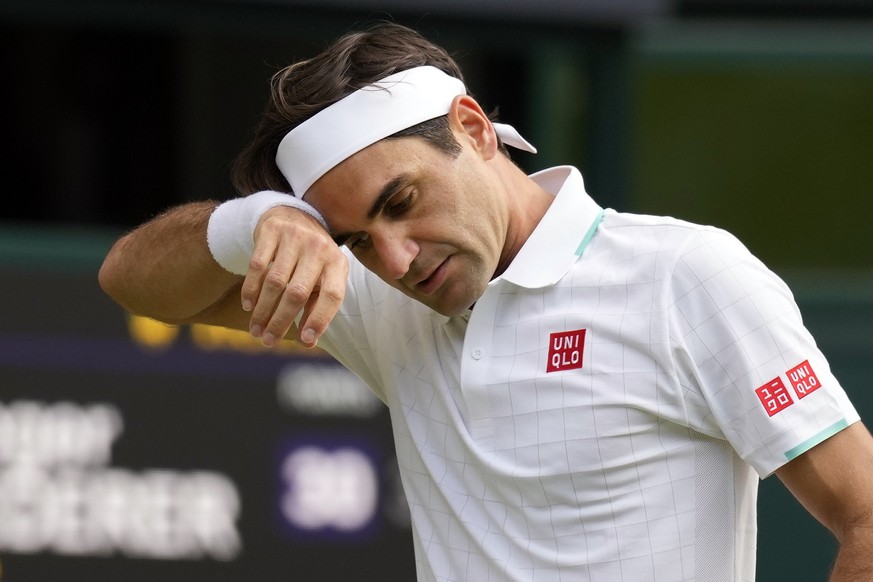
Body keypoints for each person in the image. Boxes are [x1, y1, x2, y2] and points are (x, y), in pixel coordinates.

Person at [99, 21, 873, 581]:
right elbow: (131, 280)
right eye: (357, 238)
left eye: (402, 199)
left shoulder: (684, 274)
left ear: (472, 128)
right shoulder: (378, 298)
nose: (395, 258)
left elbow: (864, 517)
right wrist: (255, 223)